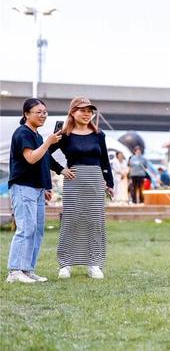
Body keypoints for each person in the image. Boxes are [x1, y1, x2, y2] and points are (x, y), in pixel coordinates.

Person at [49, 97, 114, 279]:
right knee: (72, 221)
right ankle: (66, 264)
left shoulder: (99, 135)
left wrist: (109, 182)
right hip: (74, 181)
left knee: (95, 222)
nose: (87, 114)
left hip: (94, 180)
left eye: (89, 111)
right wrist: (61, 169)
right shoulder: (64, 135)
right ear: (72, 112)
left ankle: (95, 263)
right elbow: (46, 154)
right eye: (82, 110)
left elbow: (104, 161)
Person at [5, 99, 65, 284]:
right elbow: (31, 158)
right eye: (38, 112)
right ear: (26, 114)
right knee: (26, 229)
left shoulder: (36, 135)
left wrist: (46, 186)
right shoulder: (23, 133)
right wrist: (48, 142)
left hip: (37, 189)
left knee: (37, 230)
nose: (43, 115)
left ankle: (27, 269)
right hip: (23, 187)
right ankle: (14, 271)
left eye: (45, 112)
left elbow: (43, 161)